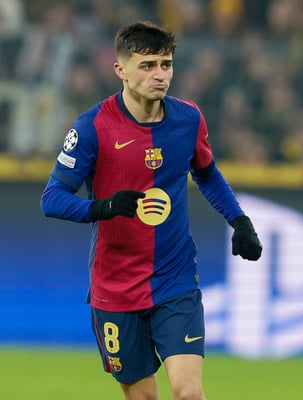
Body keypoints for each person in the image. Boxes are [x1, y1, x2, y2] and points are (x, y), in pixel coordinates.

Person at [40, 20, 262, 400]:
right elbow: (52, 198)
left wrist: (239, 220)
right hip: (115, 286)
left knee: (188, 393)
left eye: (166, 64)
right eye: (147, 66)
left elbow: (207, 174)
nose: (160, 75)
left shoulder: (188, 119)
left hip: (174, 278)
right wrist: (103, 207)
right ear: (120, 70)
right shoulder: (93, 127)